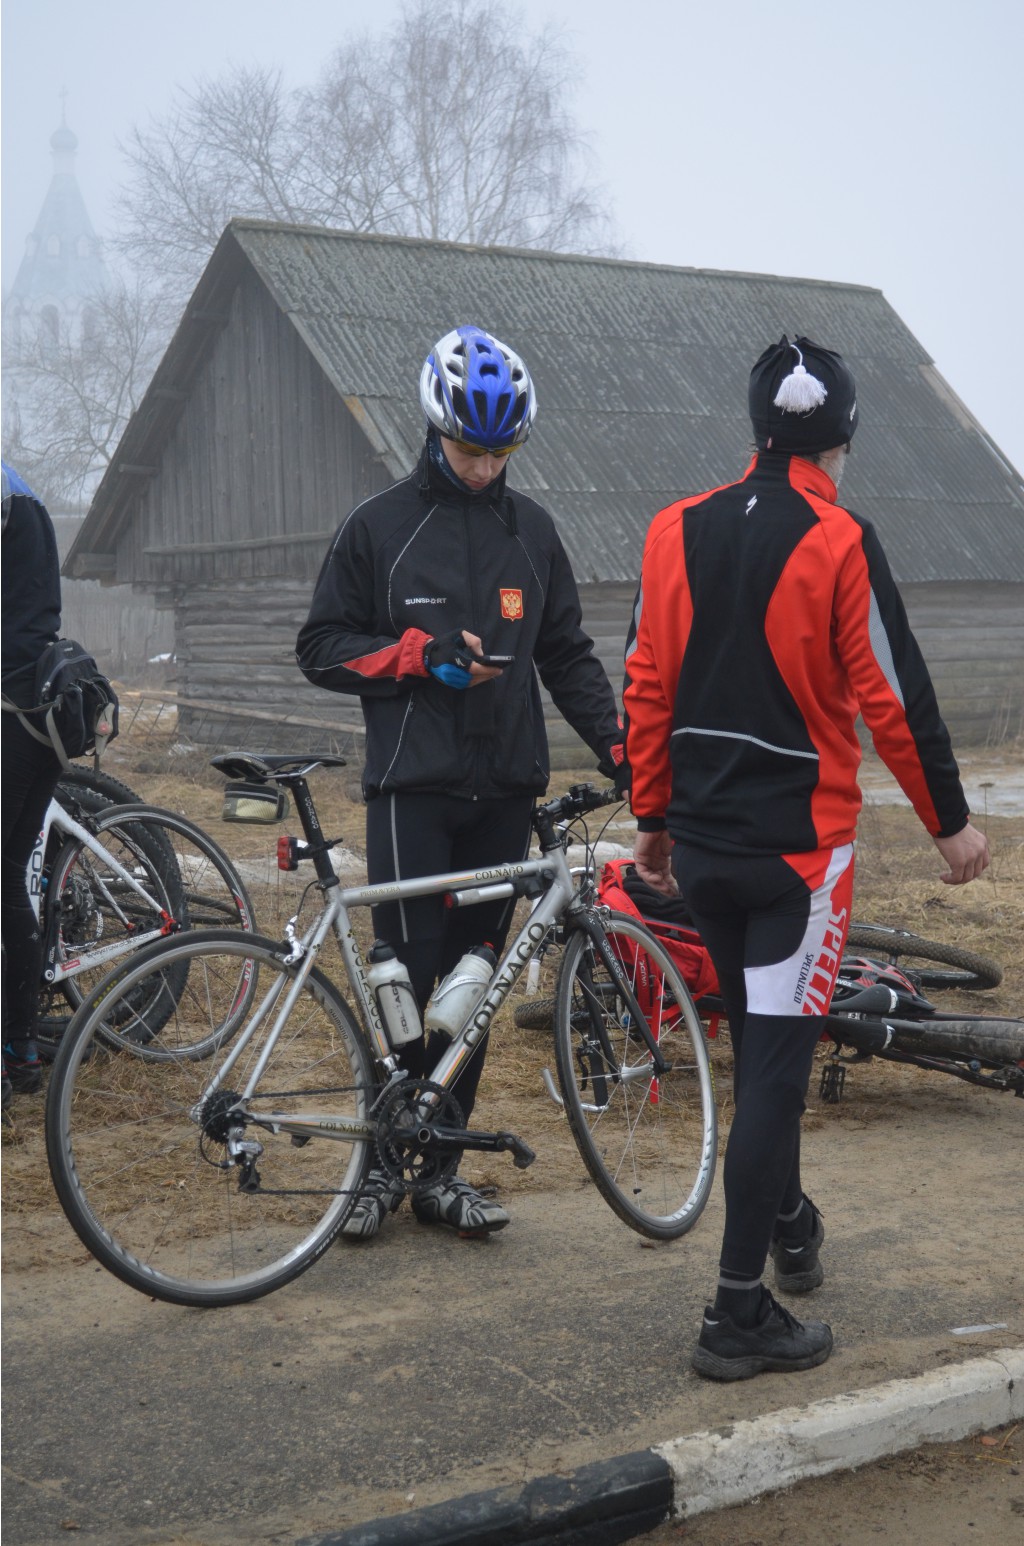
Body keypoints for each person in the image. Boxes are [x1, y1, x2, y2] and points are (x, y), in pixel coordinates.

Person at [622, 335, 989, 1382]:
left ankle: (788, 1222)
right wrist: (949, 822)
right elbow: (891, 694)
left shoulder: (671, 528)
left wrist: (653, 819)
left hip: (703, 850)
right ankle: (737, 1312)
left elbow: (645, 683)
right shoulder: (841, 538)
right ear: (842, 439)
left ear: (755, 428)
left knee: (760, 1054)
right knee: (774, 1082)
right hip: (798, 860)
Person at [297, 324, 626, 1240]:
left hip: (505, 788)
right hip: (415, 788)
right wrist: (418, 657)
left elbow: (566, 654)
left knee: (474, 985)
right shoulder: (380, 527)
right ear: (434, 430)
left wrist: (620, 746)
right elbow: (320, 647)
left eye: (498, 453)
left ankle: (439, 1173)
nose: (483, 468)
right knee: (406, 982)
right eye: (468, 450)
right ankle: (377, 1168)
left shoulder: (534, 531)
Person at [1, 462, 65, 1109]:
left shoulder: (8, 499)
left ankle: (12, 1057)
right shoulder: (23, 495)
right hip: (35, 709)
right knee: (7, 879)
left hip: (11, 714)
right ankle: (18, 1053)